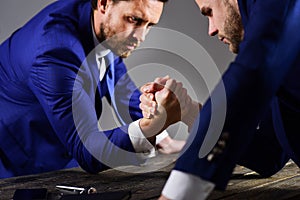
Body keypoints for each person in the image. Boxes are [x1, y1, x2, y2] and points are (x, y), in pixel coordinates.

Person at [0, 0, 190, 178]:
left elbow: (120, 87)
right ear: (104, 3)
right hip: (17, 166)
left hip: (57, 155)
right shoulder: (54, 53)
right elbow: (87, 150)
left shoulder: (104, 25)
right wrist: (152, 126)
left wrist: (164, 138)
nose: (140, 37)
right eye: (134, 20)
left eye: (149, 25)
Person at [140, 0, 300, 199]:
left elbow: (252, 74)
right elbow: (270, 156)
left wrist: (176, 195)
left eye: (209, 12)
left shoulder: (281, 11)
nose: (211, 30)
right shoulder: (282, 52)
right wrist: (190, 112)